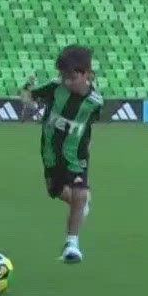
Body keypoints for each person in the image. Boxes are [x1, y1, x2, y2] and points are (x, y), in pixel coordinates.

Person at [20, 45, 101, 263]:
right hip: (50, 154)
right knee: (57, 191)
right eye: (63, 77)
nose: (67, 82)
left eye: (72, 77)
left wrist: (87, 147)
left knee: (80, 193)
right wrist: (27, 92)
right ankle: (79, 204)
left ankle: (71, 245)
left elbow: (89, 126)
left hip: (76, 157)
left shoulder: (94, 103)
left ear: (87, 74)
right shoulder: (55, 89)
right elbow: (28, 96)